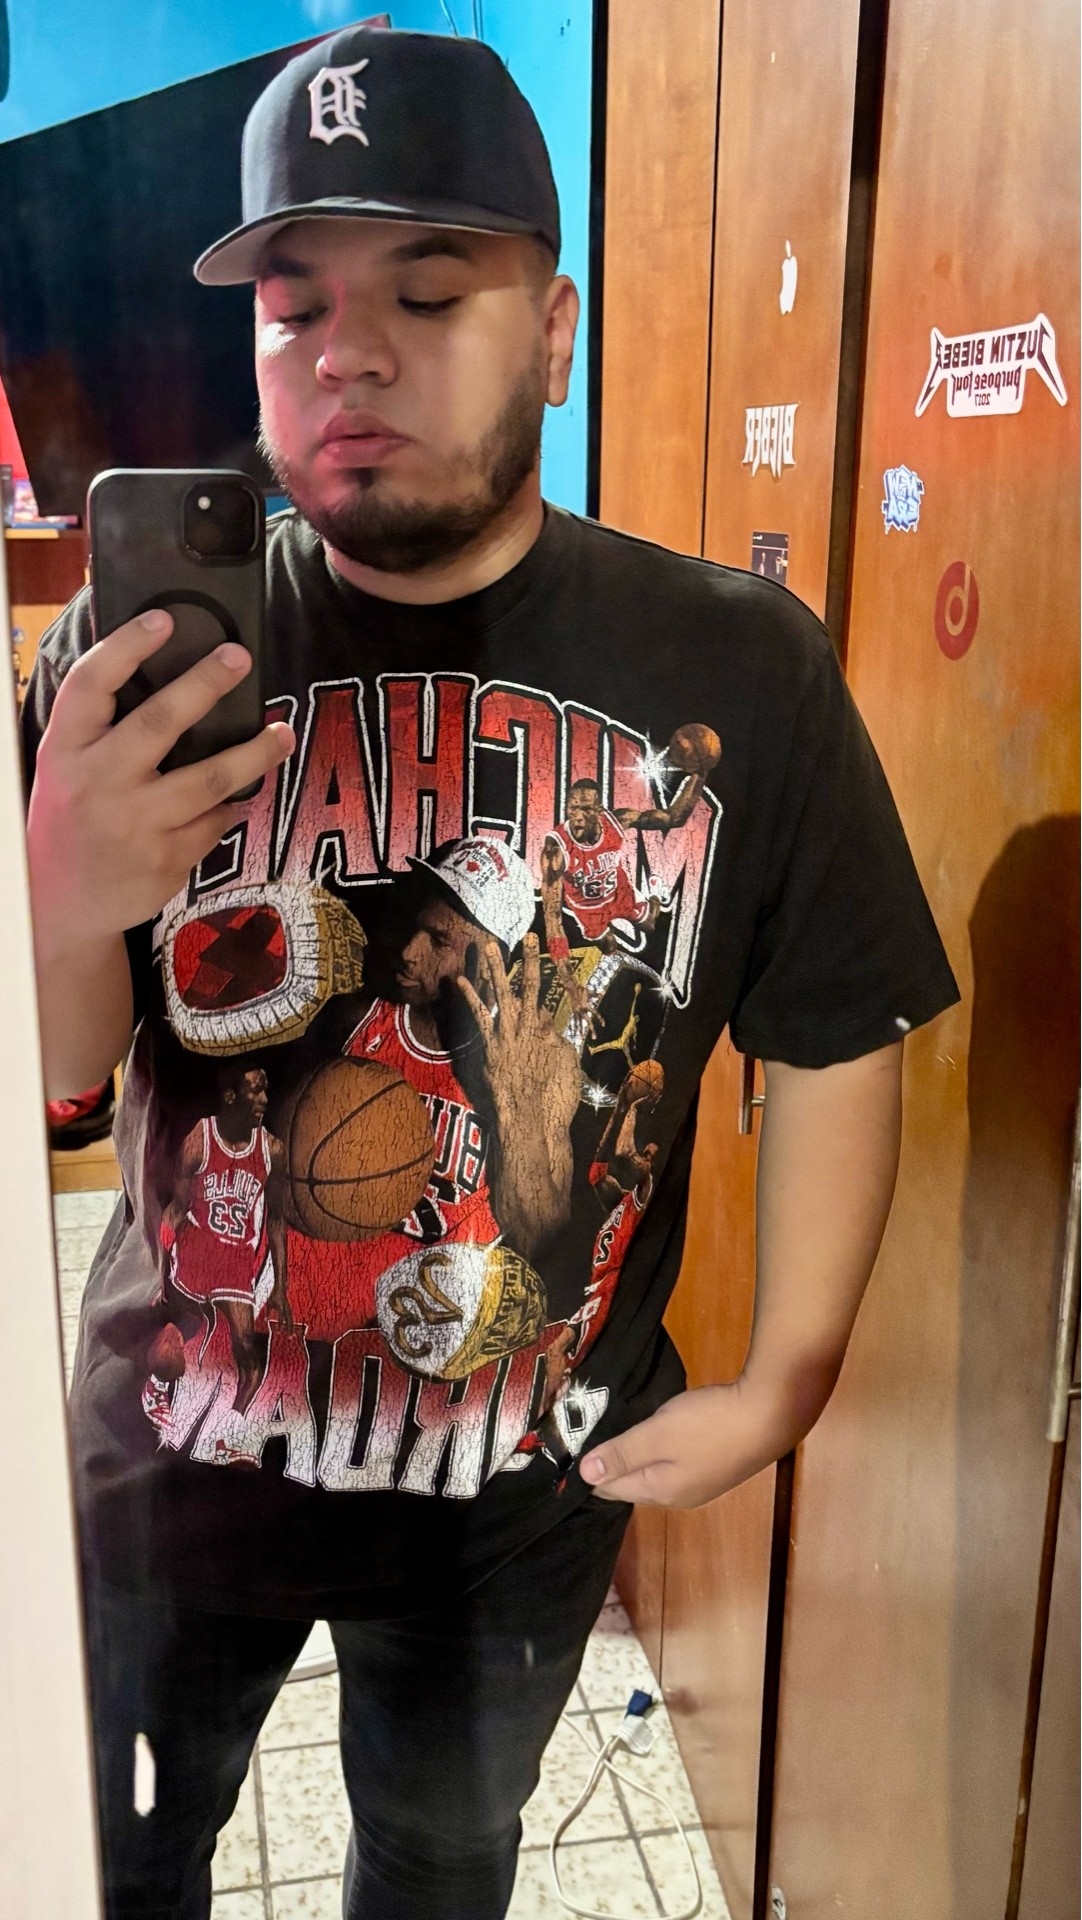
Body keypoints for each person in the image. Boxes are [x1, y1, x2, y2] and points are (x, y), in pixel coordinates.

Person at [21, 25, 958, 1920]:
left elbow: (837, 1022)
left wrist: (783, 1381)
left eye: (426, 293)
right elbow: (62, 1082)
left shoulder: (737, 667)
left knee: (439, 1866)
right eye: (292, 307)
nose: (343, 354)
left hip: (511, 1502)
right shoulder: (131, 668)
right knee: (120, 1865)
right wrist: (53, 898)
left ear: (555, 330)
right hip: (166, 1461)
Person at [149, 1061, 290, 1420]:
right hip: (196, 1249)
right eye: (255, 1089)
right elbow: (176, 1209)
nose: (264, 1098)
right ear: (230, 1096)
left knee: (248, 1350)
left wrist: (281, 1287)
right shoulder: (200, 1139)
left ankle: (235, 1419)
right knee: (170, 1347)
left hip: (236, 1263)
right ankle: (159, 1391)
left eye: (266, 1089)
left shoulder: (272, 1150)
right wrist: (157, 1270)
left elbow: (276, 1219)